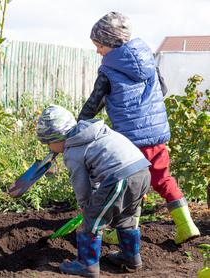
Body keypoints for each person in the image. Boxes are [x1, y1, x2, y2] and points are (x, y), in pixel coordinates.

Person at [78, 11, 200, 245]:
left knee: (131, 187)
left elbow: (93, 104)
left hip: (131, 142)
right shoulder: (149, 62)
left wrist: (79, 126)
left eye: (99, 45)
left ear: (111, 43)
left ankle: (120, 232)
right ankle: (187, 225)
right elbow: (162, 90)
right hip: (156, 136)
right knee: (162, 179)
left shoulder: (107, 71)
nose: (97, 51)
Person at [36, 105, 151, 277]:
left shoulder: (73, 152)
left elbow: (81, 186)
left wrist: (86, 207)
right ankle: (131, 257)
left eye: (48, 144)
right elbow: (102, 168)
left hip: (120, 178)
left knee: (93, 219)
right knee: (126, 216)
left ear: (57, 138)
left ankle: (86, 265)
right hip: (142, 171)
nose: (49, 148)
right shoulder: (95, 132)